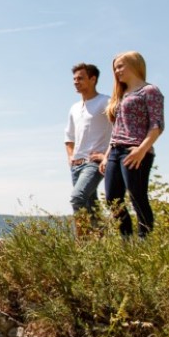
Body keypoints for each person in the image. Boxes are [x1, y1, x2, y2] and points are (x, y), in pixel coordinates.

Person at [99, 51, 164, 237]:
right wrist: (106, 156)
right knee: (113, 200)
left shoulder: (149, 91)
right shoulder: (121, 96)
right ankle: (126, 243)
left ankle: (145, 242)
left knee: (137, 197)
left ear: (135, 64)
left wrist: (141, 150)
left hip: (135, 151)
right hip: (115, 151)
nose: (117, 71)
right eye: (115, 68)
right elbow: (117, 129)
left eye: (120, 66)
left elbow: (157, 125)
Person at [64, 63, 113, 229]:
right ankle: (100, 243)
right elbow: (69, 136)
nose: (76, 82)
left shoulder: (105, 102)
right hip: (76, 165)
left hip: (93, 162)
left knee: (77, 198)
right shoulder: (74, 108)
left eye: (80, 78)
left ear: (93, 79)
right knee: (91, 207)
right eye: (74, 79)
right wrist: (70, 156)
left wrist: (107, 155)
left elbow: (120, 128)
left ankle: (83, 244)